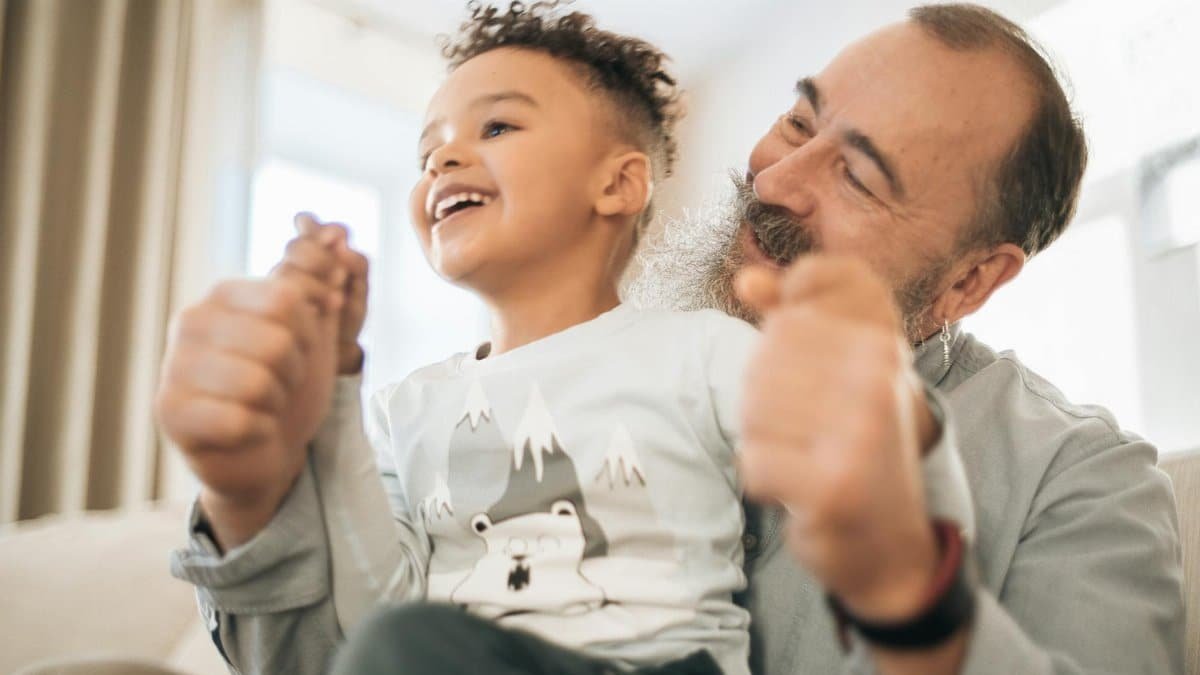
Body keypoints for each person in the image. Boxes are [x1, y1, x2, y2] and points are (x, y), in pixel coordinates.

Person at [161, 4, 1184, 675]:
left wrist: (918, 604)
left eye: (858, 176)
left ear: (972, 278)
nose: (775, 184)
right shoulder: (535, 380)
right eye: (796, 123)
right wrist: (254, 495)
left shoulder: (1078, 482)